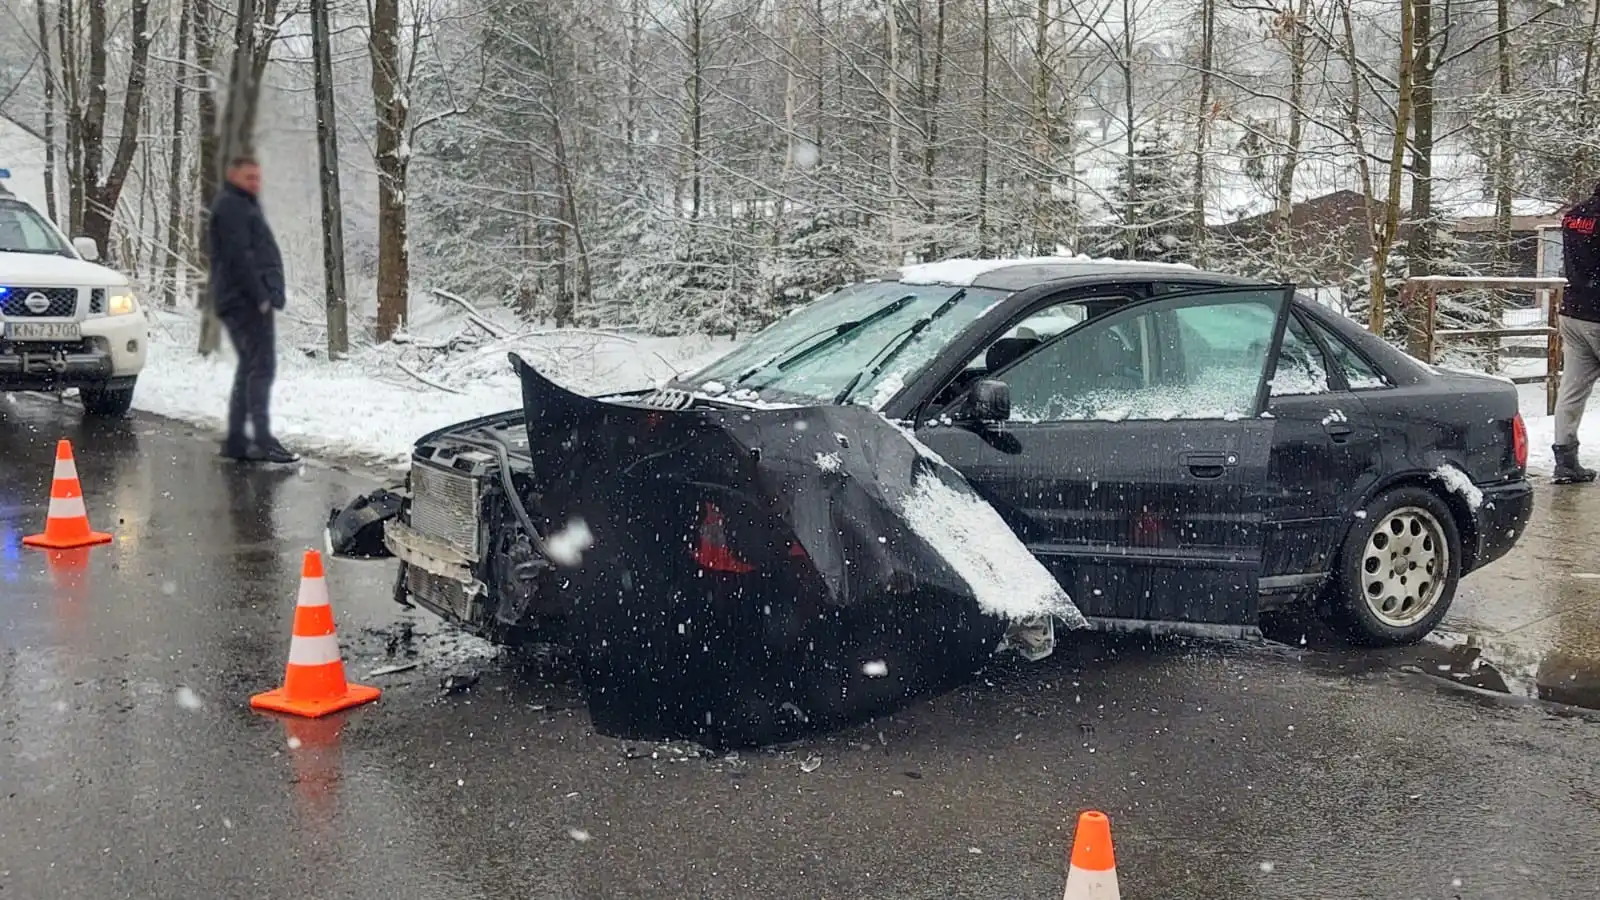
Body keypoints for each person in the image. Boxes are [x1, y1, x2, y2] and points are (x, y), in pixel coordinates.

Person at [208, 155, 299, 464]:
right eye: (249, 178)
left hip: (239, 298)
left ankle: (237, 440)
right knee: (261, 367)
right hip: (245, 301)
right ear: (233, 176)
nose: (255, 184)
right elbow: (239, 257)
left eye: (258, 178)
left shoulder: (240, 204)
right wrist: (261, 295)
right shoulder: (233, 206)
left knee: (250, 367)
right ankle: (260, 440)